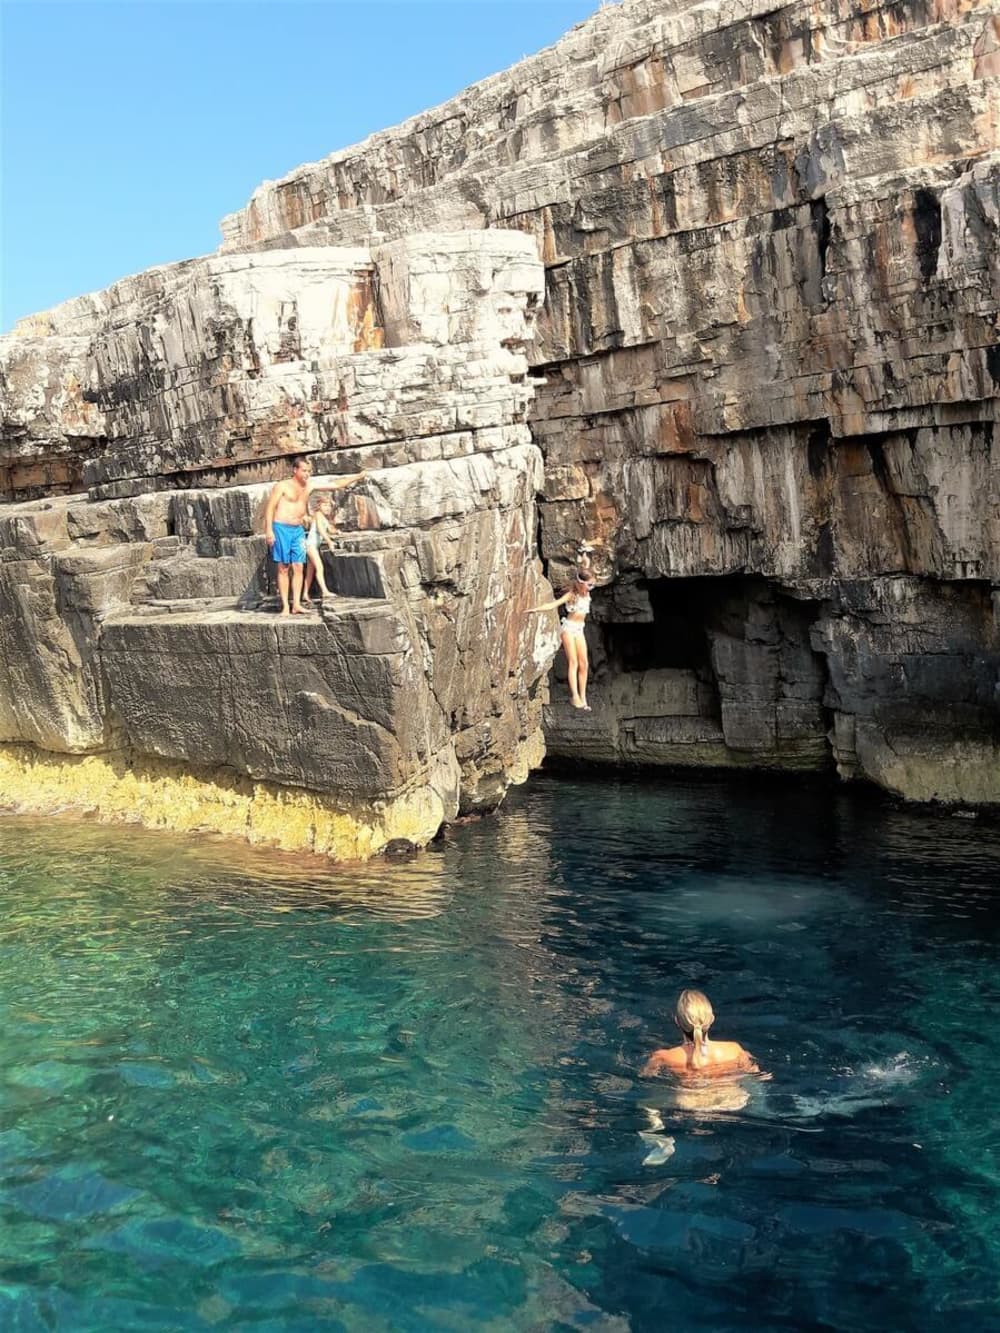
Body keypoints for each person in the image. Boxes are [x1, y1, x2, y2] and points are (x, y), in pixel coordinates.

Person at [263, 457, 365, 616]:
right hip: (281, 528)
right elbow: (270, 509)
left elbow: (336, 485)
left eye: (309, 471)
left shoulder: (309, 486)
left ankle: (296, 604)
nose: (307, 474)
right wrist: (269, 531)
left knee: (299, 566)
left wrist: (358, 476)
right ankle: (285, 606)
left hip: (297, 530)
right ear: (295, 470)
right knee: (283, 567)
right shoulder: (282, 486)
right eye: (304, 470)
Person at [642, 989, 761, 1079]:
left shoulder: (663, 1057)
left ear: (677, 1021)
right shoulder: (734, 1050)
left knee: (647, 1104)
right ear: (712, 1019)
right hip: (731, 1102)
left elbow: (645, 1078)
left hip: (689, 1105)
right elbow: (756, 1076)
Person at [528, 563, 596, 710]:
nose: (591, 588)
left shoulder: (587, 593)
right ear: (581, 584)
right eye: (590, 585)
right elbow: (553, 605)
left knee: (584, 664)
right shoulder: (571, 595)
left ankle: (583, 697)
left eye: (593, 585)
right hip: (569, 629)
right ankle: (575, 697)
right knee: (574, 663)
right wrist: (535, 609)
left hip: (579, 629)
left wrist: (585, 559)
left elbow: (585, 566)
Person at [302, 496, 337, 603]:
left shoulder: (324, 518)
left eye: (329, 506)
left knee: (310, 571)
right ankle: (325, 591)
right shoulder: (318, 515)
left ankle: (304, 594)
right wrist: (329, 542)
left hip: (313, 546)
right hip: (311, 545)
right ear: (319, 506)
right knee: (320, 567)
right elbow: (321, 530)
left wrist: (336, 531)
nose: (327, 508)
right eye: (325, 505)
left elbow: (329, 529)